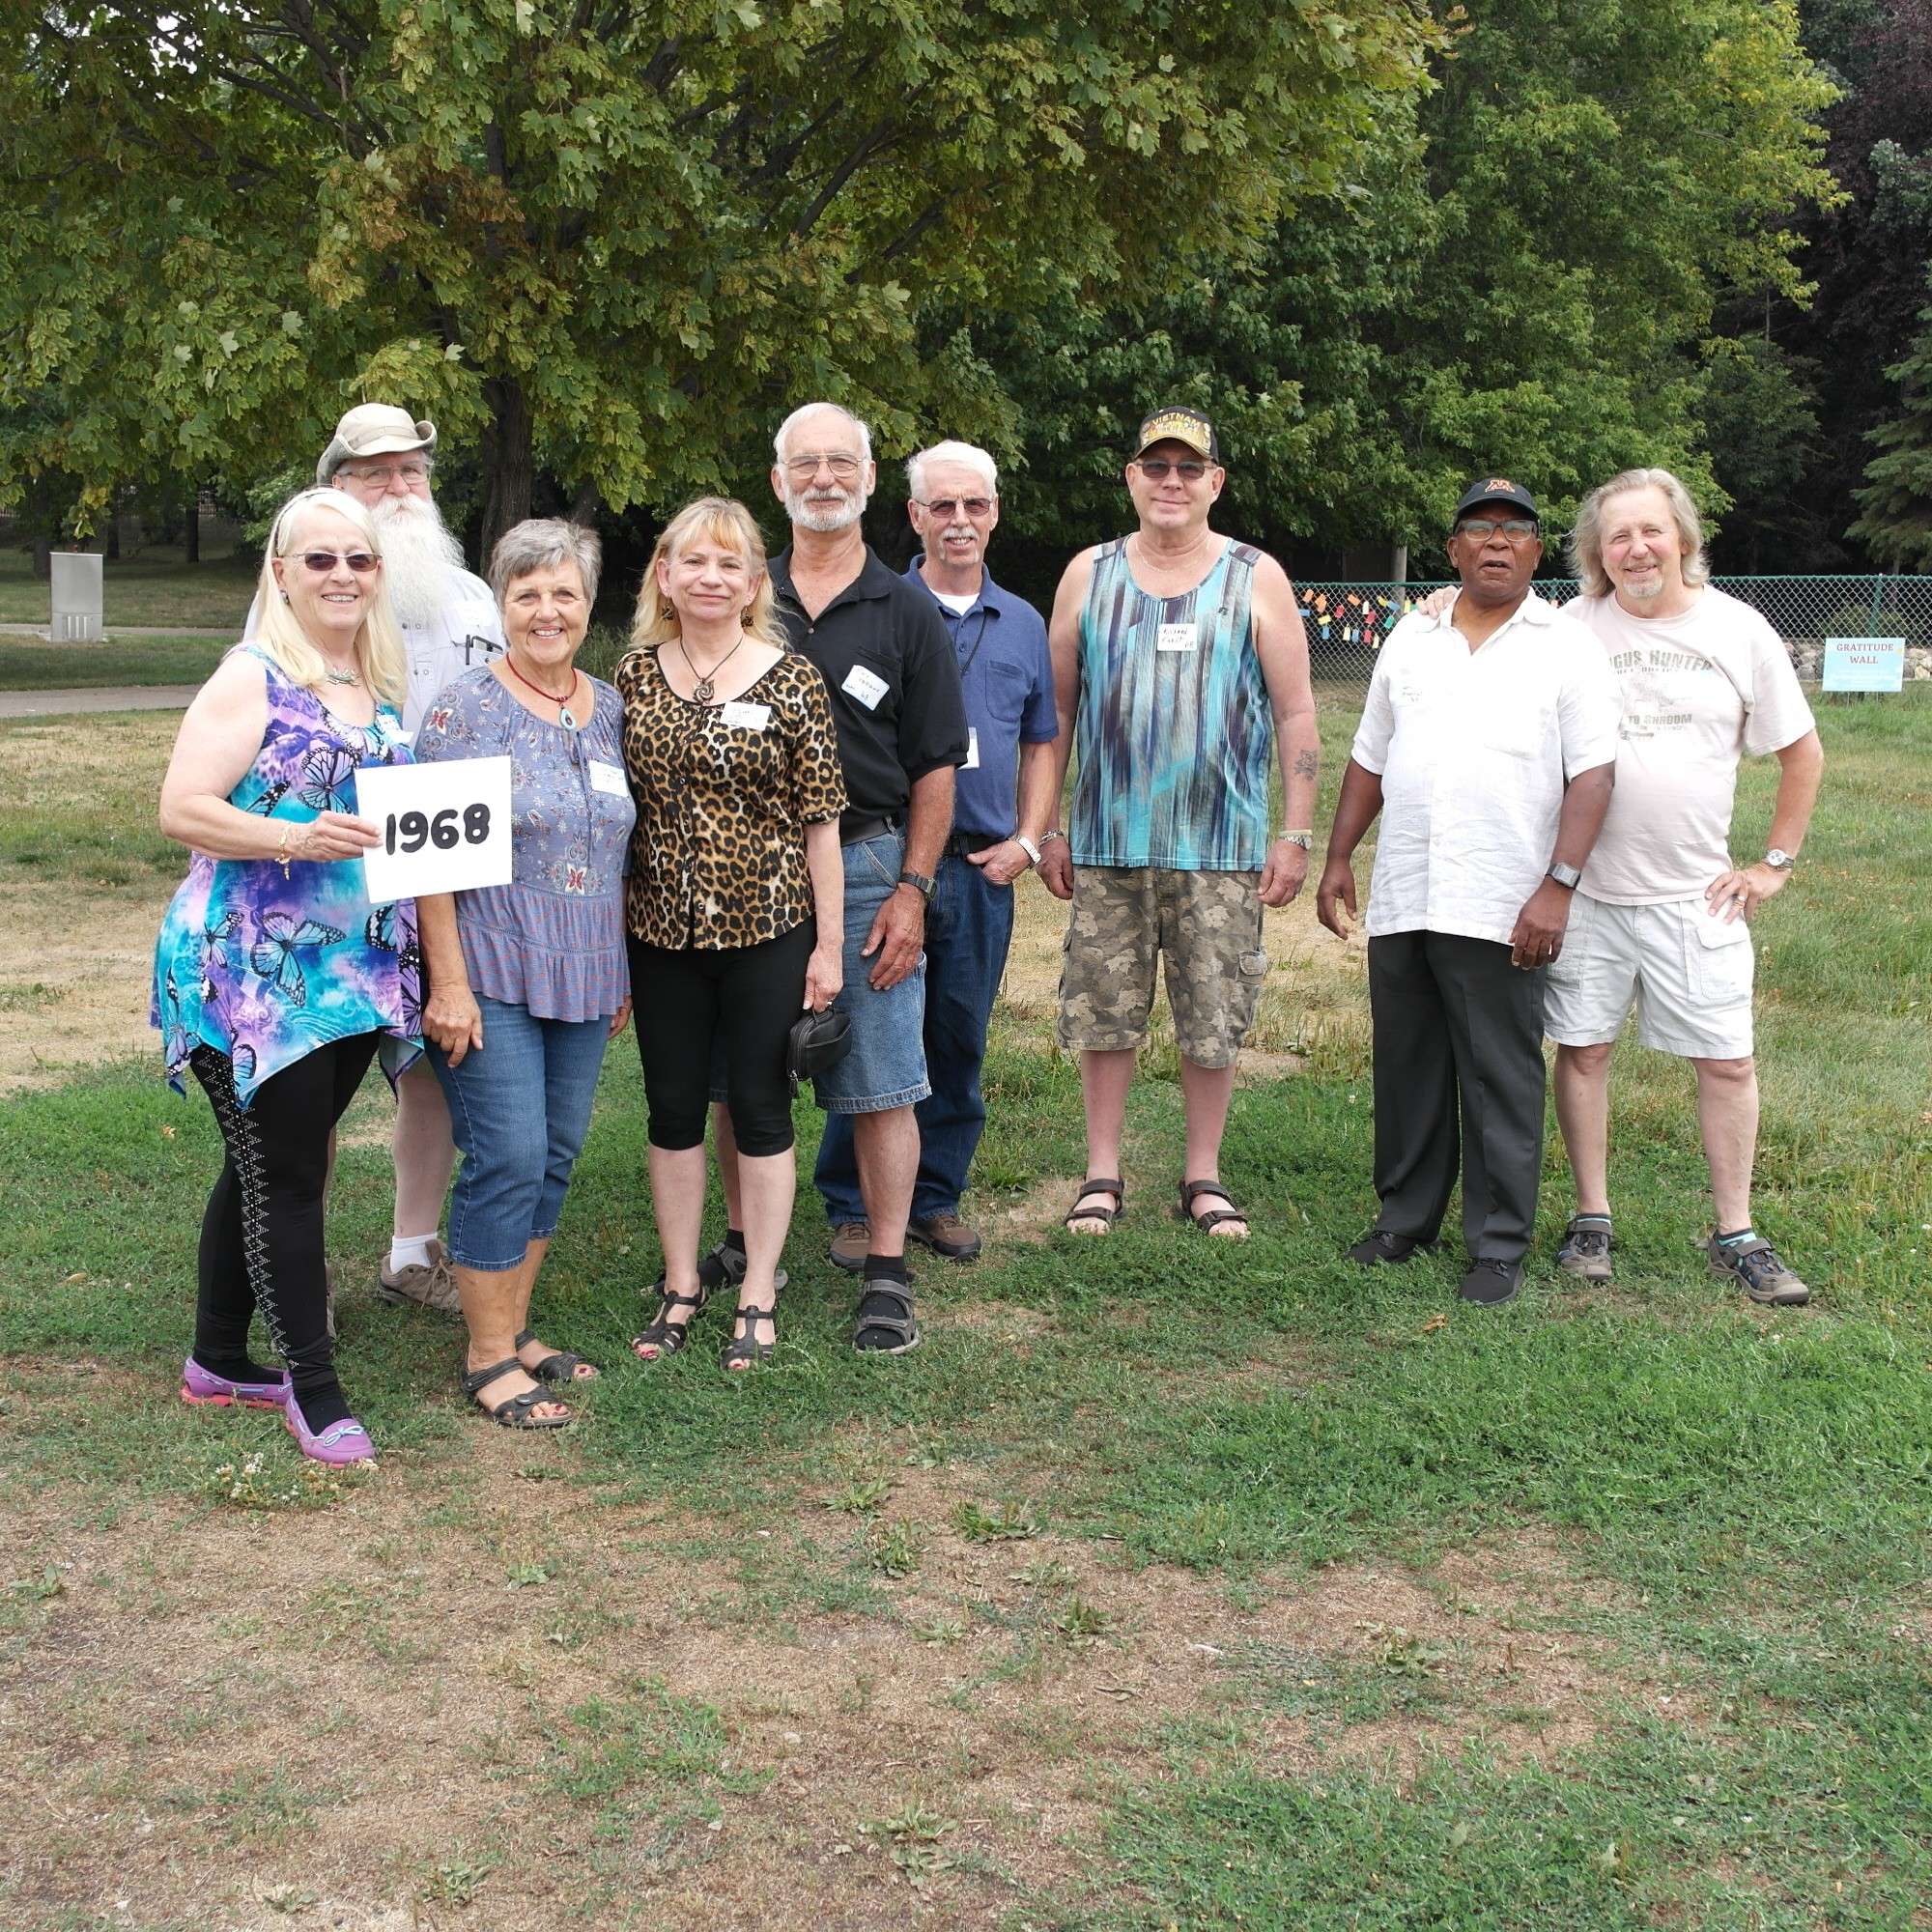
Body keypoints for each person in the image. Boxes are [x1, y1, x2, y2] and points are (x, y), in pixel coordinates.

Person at [155, 487, 420, 1465]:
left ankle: (217, 1359)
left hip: (350, 968)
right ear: (281, 571)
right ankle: (315, 1387)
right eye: (320, 559)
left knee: (264, 1161)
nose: (342, 574)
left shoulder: (373, 681)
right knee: (292, 1172)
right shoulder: (253, 676)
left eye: (359, 558)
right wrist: (294, 837)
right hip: (250, 972)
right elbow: (182, 806)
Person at [699, 404, 967, 1357]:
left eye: (841, 462)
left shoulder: (907, 611)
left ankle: (886, 1270)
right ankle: (745, 1245)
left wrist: (912, 890)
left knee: (882, 1077)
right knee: (737, 1072)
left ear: (869, 480)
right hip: (746, 864)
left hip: (865, 865)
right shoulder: (739, 595)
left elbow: (936, 765)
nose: (823, 478)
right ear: (777, 482)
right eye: (804, 463)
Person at [1316, 477, 1621, 1307]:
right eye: (1479, 527)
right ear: (1453, 549)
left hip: (1503, 898)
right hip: (1407, 890)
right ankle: (1404, 1219)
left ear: (1537, 551)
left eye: (1515, 530)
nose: (1496, 541)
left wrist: (1557, 887)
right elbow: (1371, 755)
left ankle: (1497, 1243)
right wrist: (1340, 856)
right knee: (1408, 1067)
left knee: (1499, 1076)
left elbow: (1594, 775)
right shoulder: (1411, 637)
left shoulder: (1566, 648)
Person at [250, 404, 508, 1318]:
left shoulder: (473, 594)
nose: (399, 487)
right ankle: (300, 1268)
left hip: (452, 856)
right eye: (376, 472)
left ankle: (409, 1250)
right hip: (337, 872)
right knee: (311, 1079)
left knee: (437, 1062)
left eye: (413, 470)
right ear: (338, 486)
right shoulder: (316, 591)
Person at [1038, 406, 1320, 1239]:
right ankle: (1101, 1172)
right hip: (1108, 842)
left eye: (1189, 468)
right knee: (1104, 1014)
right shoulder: (1088, 574)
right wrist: (1046, 826)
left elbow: (1297, 712)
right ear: (1132, 477)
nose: (1172, 481)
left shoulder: (1255, 576)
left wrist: (1295, 832)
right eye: (1156, 466)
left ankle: (1204, 1174)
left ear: (1214, 482)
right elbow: (1056, 713)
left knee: (1213, 1018)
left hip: (1220, 847)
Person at [1546, 469, 1824, 1303]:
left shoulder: (1738, 629)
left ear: (1682, 538)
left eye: (1651, 531)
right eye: (1618, 536)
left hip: (1696, 896)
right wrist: (1437, 607)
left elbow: (1801, 753)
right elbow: (1488, 637)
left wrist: (1774, 864)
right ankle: (1591, 1218)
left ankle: (1735, 1234)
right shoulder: (1567, 628)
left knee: (1728, 1063)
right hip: (1586, 892)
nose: (1636, 549)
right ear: (1597, 553)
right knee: (1583, 1051)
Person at [814, 440, 1058, 1266]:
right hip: (886, 862)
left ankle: (936, 1197)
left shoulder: (1024, 623)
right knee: (869, 1036)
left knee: (958, 1037)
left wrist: (1028, 839)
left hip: (983, 867)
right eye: (942, 505)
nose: (960, 520)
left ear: (995, 513)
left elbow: (1042, 740)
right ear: (914, 515)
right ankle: (852, 1204)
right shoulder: (877, 608)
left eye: (974, 504)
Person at [617, 497, 846, 1370]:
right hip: (660, 935)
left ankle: (757, 1288)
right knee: (672, 1109)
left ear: (754, 584)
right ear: (665, 576)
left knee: (759, 1107)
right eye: (694, 561)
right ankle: (682, 1284)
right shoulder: (633, 678)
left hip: (769, 930)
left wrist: (828, 948)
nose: (711, 578)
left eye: (730, 564)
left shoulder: (792, 680)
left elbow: (822, 823)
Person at [415, 520, 633, 1428]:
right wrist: (448, 984)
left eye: (564, 593)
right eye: (527, 593)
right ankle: (487, 1356)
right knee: (506, 1153)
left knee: (555, 1154)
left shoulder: (610, 708)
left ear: (589, 605)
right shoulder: (463, 709)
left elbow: (618, 846)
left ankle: (513, 1326)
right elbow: (427, 862)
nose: (548, 610)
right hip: (489, 965)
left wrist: (621, 969)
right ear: (500, 604)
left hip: (587, 970)